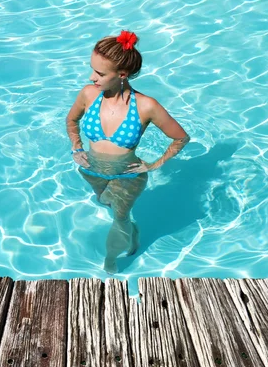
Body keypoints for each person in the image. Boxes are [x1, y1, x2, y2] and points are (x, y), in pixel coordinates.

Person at [66, 30, 190, 273]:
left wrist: (154, 164)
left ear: (122, 74)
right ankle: (133, 232)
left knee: (119, 218)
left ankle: (111, 260)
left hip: (127, 176)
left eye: (100, 73)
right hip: (92, 170)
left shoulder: (146, 106)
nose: (92, 77)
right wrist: (76, 147)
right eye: (92, 69)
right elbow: (72, 122)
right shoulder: (88, 94)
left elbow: (180, 138)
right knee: (105, 203)